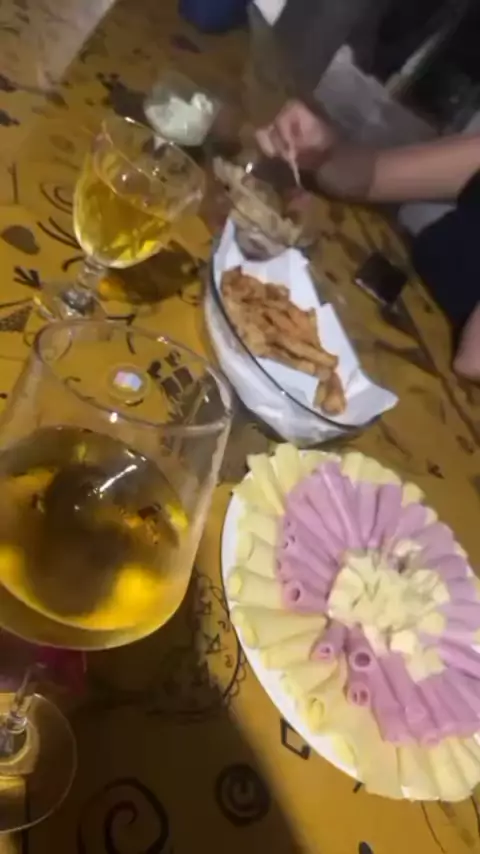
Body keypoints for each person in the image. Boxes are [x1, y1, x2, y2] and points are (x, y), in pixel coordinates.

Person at [256, 100, 480, 380]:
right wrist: (323, 152)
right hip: (379, 325)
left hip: (434, 391)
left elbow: (472, 361)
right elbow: (372, 178)